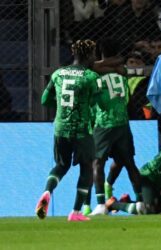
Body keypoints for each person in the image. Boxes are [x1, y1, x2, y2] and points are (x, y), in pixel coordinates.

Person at [35, 39, 99, 222]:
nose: (95, 57)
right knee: (87, 167)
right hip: (82, 130)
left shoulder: (58, 74)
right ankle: (76, 212)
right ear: (88, 55)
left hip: (60, 128)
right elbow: (97, 104)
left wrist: (63, 106)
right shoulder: (91, 77)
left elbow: (44, 100)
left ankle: (47, 191)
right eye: (93, 54)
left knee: (61, 165)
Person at [88, 38, 144, 215]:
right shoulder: (122, 71)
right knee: (129, 163)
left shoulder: (96, 72)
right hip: (122, 123)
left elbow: (90, 67)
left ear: (100, 53)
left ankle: (100, 204)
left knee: (97, 163)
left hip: (104, 123)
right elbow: (119, 65)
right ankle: (141, 201)